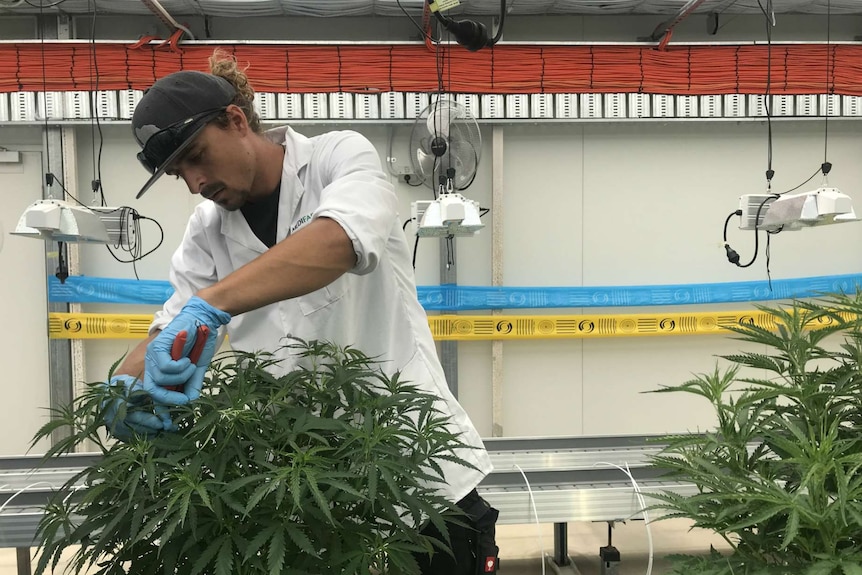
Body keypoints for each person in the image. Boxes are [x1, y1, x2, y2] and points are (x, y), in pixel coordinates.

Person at [102, 50, 498, 575]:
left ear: (237, 120)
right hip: (306, 494)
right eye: (180, 173)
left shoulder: (339, 158)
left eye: (196, 156)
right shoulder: (206, 230)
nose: (195, 182)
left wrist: (212, 304)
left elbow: (339, 242)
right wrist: (119, 393)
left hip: (416, 471)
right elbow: (170, 328)